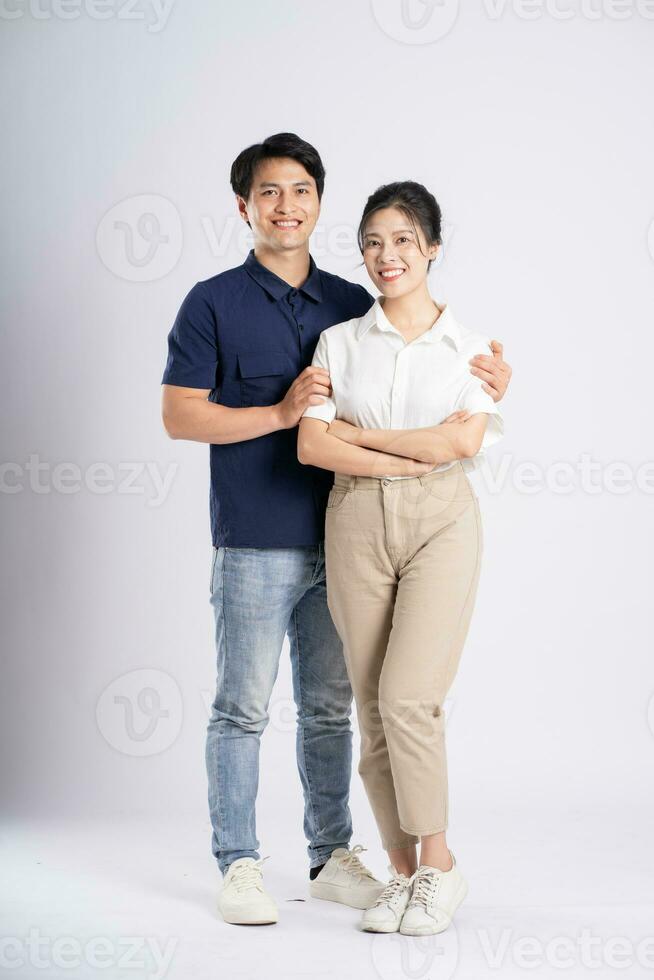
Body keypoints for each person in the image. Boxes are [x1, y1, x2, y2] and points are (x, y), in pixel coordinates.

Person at [161, 136, 512, 927]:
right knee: (242, 707)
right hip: (254, 535)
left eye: (301, 191)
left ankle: (330, 857)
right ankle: (240, 863)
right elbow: (181, 416)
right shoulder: (212, 300)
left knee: (335, 708)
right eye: (268, 192)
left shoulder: (350, 304)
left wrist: (490, 379)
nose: (286, 205)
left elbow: (429, 376)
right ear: (244, 206)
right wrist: (283, 416)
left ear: (318, 203)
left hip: (347, 537)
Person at [298, 181, 506, 936]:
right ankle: (398, 871)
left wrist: (360, 437)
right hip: (352, 518)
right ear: (362, 251)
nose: (388, 256)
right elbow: (311, 443)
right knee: (371, 704)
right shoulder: (339, 343)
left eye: (404, 241)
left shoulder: (474, 351)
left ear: (433, 249)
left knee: (410, 697)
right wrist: (392, 447)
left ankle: (439, 869)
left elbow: (458, 445)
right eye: (374, 242)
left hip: (441, 519)